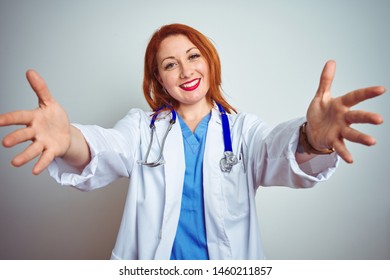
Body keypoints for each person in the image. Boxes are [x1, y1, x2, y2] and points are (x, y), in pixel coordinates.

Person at [0, 23, 385, 260]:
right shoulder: (142, 128)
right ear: (159, 80)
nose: (185, 71)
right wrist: (67, 139)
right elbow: (106, 147)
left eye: (192, 56)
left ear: (209, 62)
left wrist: (312, 138)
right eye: (170, 65)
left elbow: (276, 149)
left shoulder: (242, 130)